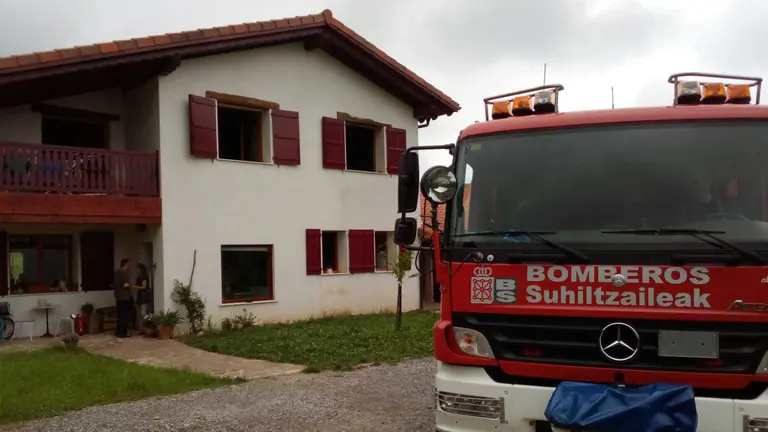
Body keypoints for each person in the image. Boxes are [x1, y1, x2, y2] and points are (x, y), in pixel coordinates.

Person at [113, 258, 132, 338]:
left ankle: (118, 331)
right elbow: (125, 285)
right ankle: (122, 333)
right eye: (129, 264)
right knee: (124, 315)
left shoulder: (117, 272)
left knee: (119, 314)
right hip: (124, 297)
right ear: (126, 264)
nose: (129, 266)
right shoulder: (123, 272)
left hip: (118, 297)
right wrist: (130, 285)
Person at [133, 263, 150, 331]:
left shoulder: (144, 277)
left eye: (137, 269)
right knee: (139, 314)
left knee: (143, 313)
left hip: (144, 297)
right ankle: (141, 328)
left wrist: (134, 286)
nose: (136, 270)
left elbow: (144, 287)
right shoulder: (138, 278)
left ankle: (146, 327)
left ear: (141, 270)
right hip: (139, 297)